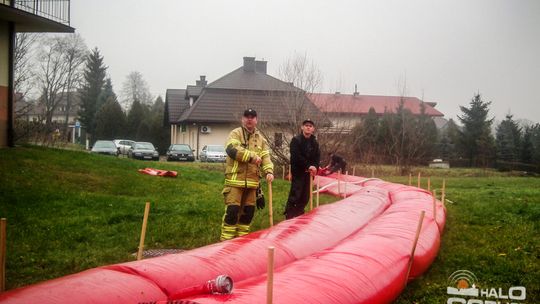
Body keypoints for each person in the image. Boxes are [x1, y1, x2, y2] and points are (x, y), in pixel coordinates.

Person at [220, 108, 274, 241]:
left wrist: (269, 171)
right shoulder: (235, 133)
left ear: (256, 120)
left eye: (252, 117)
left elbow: (266, 157)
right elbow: (231, 149)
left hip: (252, 183)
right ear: (242, 119)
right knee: (232, 212)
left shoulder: (261, 139)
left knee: (248, 214)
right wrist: (251, 156)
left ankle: (241, 243)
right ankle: (226, 243)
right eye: (247, 116)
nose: (249, 119)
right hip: (235, 181)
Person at [284, 118, 320, 219]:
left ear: (313, 129)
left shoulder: (314, 143)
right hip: (298, 173)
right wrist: (308, 166)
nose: (308, 127)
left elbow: (317, 157)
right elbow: (296, 157)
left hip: (309, 174)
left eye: (310, 126)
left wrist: (315, 167)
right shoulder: (296, 140)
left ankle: (299, 215)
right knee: (296, 195)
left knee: (305, 197)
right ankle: (290, 216)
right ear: (302, 127)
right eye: (306, 125)